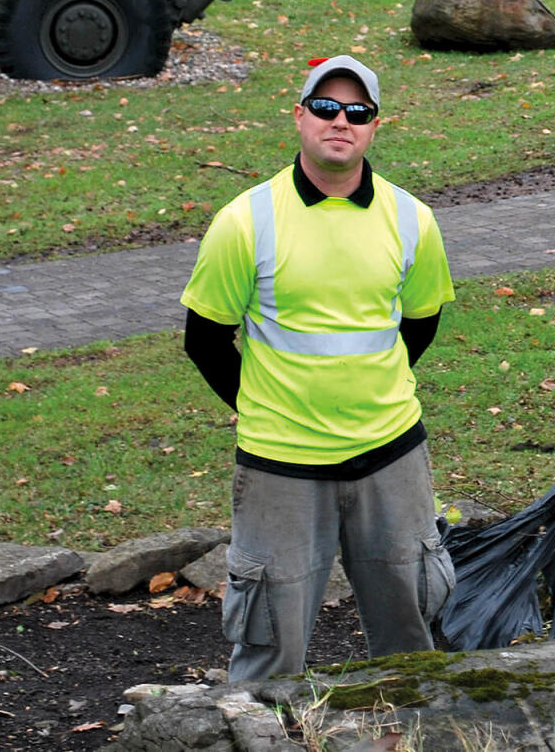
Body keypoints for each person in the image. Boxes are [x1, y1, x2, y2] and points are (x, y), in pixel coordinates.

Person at [180, 55, 456, 680]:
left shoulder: (413, 220)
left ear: (374, 126)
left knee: (411, 638)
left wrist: (370, 390)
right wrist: (261, 405)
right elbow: (204, 339)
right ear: (300, 117)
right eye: (327, 108)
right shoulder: (244, 221)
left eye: (357, 113)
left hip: (391, 458)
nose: (341, 122)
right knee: (270, 650)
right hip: (281, 467)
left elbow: (420, 322)